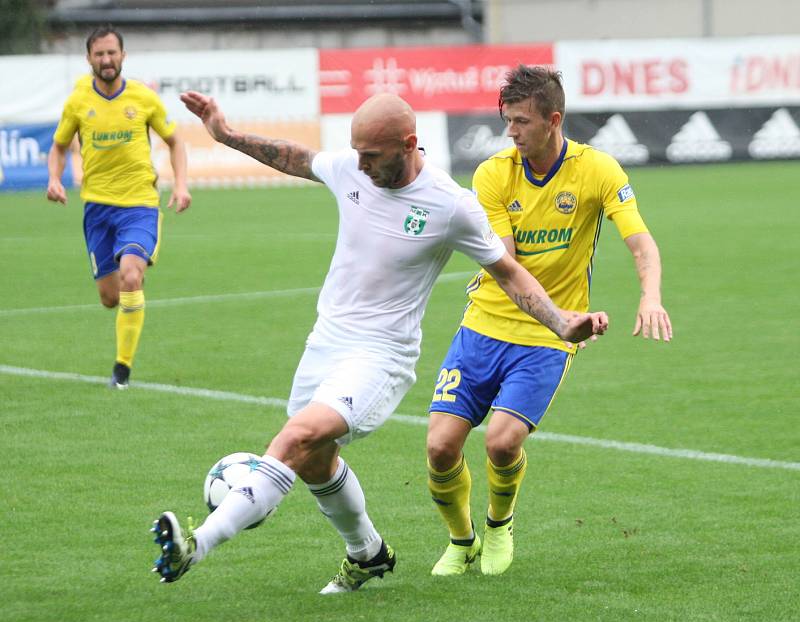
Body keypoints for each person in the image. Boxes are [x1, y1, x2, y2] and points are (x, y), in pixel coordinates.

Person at [150, 90, 608, 594]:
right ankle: (367, 554)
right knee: (315, 460)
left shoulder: (451, 206)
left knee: (297, 438)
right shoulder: (352, 168)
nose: (360, 164)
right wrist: (226, 134)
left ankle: (197, 544)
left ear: (409, 144)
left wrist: (561, 323)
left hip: (381, 357)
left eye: (371, 155)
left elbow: (509, 273)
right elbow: (296, 157)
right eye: (357, 153)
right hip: (325, 342)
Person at [426, 65, 673, 578]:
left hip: (547, 338)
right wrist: (559, 316)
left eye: (520, 121)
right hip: (486, 324)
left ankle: (498, 526)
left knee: (501, 440)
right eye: (506, 120)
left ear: (553, 119)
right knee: (440, 445)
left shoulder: (598, 170)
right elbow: (507, 266)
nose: (510, 132)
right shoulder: (493, 174)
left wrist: (650, 297)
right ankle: (460, 539)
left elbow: (640, 241)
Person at [47, 24, 191, 389]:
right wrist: (54, 178)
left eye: (112, 53)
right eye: (99, 54)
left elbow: (175, 142)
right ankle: (124, 331)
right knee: (111, 298)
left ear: (123, 56)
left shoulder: (143, 98)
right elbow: (60, 145)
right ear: (89, 58)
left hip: (140, 204)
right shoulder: (79, 100)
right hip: (97, 209)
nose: (106, 60)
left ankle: (121, 372)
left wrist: (182, 184)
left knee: (131, 274)